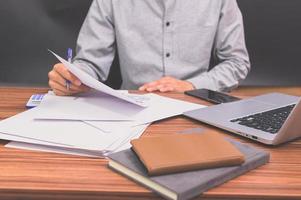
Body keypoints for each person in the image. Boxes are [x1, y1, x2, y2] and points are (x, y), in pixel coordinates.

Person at [48, 0, 250, 96]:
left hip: (196, 104)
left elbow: (237, 63)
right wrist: (73, 77)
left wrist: (191, 85)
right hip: (130, 109)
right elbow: (90, 62)